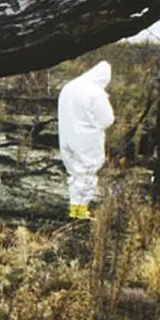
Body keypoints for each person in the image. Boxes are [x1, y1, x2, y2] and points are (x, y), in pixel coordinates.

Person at [57, 60, 115, 220]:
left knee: (75, 173)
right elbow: (107, 119)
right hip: (87, 139)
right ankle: (81, 211)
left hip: (66, 136)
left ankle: (74, 208)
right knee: (87, 172)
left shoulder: (69, 87)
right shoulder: (95, 92)